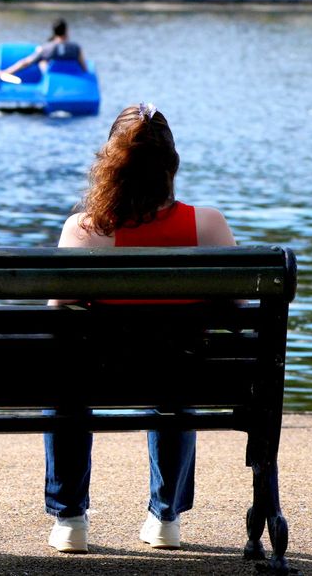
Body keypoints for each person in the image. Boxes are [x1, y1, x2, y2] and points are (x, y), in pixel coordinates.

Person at [45, 103, 236, 555]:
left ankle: (71, 518)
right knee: (176, 383)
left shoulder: (84, 230)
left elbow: (58, 310)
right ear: (171, 164)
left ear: (109, 163)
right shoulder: (207, 226)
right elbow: (235, 308)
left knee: (67, 382)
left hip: (99, 374)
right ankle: (165, 515)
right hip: (179, 375)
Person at [1, 18, 85, 79]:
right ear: (66, 31)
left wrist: (5, 73)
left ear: (54, 31)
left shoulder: (46, 48)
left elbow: (26, 62)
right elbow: (84, 68)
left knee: (42, 61)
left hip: (53, 80)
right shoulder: (76, 48)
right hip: (74, 79)